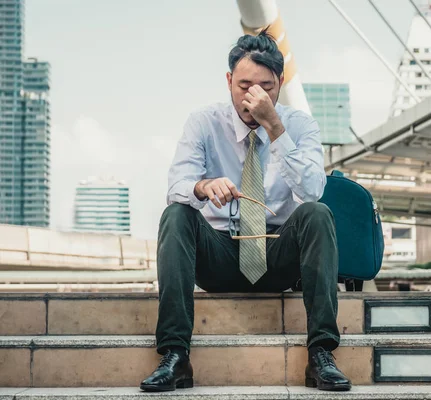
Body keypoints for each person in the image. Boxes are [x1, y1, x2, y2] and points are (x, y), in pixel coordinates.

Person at [139, 29, 351, 392]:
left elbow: (313, 191)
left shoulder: (299, 125)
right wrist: (203, 187)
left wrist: (275, 128)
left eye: (266, 86)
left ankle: (321, 354)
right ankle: (175, 356)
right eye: (244, 85)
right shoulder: (204, 122)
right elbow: (177, 185)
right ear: (228, 81)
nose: (253, 96)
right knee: (176, 214)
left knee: (317, 215)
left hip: (277, 255)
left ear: (281, 84)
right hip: (220, 253)